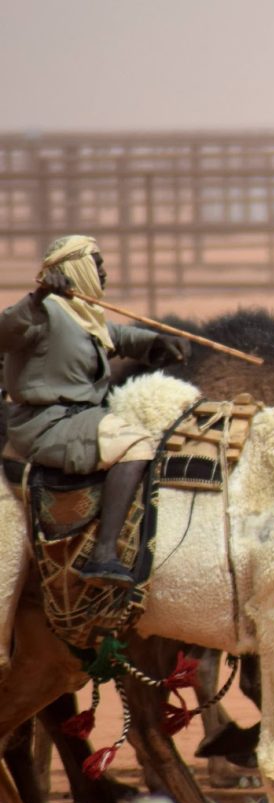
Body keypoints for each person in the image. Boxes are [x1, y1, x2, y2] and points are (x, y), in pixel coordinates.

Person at [0, 235, 188, 585]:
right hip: (48, 424)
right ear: (77, 269)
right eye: (97, 265)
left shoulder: (83, 315)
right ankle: (103, 555)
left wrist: (157, 343)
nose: (104, 273)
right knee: (137, 444)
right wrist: (38, 297)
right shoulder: (43, 313)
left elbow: (118, 336)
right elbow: (5, 331)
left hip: (80, 418)